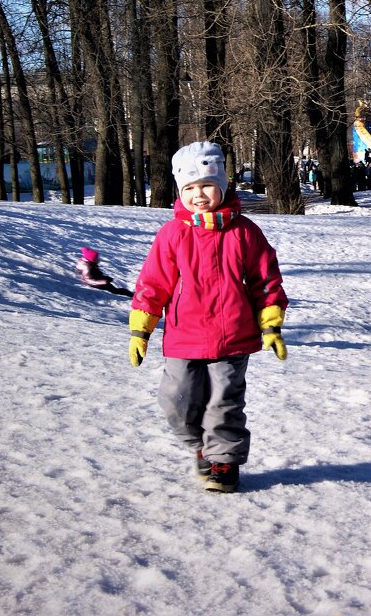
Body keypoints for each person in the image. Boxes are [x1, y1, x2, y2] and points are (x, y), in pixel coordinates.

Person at [128, 141, 289, 493]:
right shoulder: (172, 234)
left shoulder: (245, 232)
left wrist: (271, 324)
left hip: (233, 335)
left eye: (206, 186)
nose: (199, 195)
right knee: (177, 399)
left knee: (224, 402)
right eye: (190, 188)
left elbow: (266, 280)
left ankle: (224, 462)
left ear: (222, 185)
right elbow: (153, 283)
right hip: (183, 336)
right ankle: (200, 447)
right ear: (180, 192)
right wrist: (141, 330)